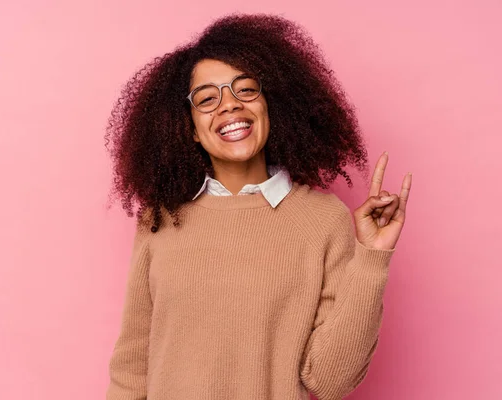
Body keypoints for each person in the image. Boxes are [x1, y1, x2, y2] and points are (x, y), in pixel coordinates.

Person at [104, 12, 412, 400]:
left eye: (245, 89)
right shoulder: (161, 219)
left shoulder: (322, 219)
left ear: (271, 105)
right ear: (191, 130)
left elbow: (330, 382)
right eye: (207, 99)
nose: (229, 106)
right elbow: (132, 367)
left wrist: (373, 258)